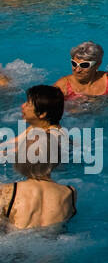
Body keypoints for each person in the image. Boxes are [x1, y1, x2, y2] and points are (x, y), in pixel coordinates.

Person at [0, 87, 77, 230]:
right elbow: (9, 145)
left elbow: (15, 152)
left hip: (50, 178)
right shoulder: (36, 128)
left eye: (28, 104)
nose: (22, 106)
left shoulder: (54, 136)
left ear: (42, 114)